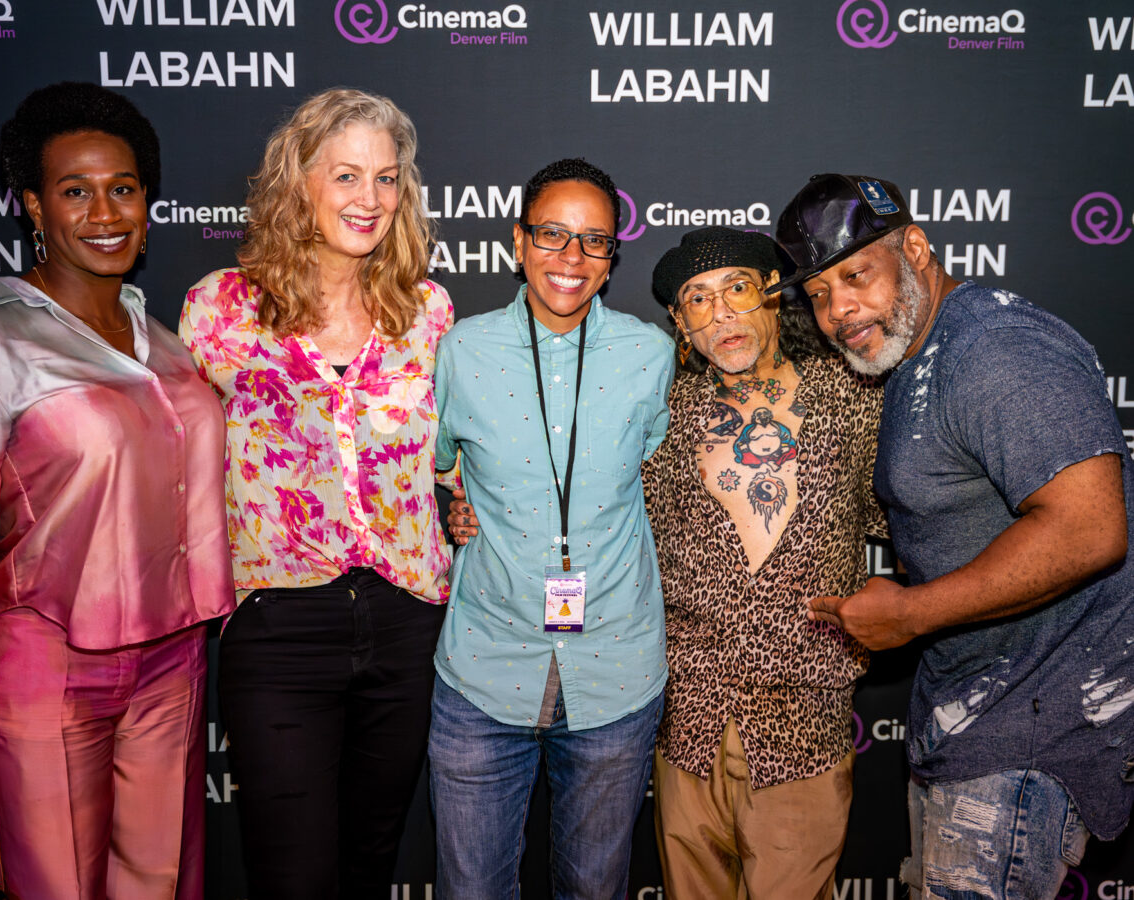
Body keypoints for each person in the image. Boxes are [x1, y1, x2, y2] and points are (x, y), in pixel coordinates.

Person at [0, 82, 234, 899]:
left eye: (122, 188)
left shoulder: (162, 341)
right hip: (45, 670)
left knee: (162, 884)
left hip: (175, 662)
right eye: (75, 190)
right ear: (32, 204)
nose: (105, 211)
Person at [778, 173, 1134, 899]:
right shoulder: (915, 352)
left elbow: (1090, 529)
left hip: (1029, 732)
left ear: (915, 247)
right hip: (979, 725)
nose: (839, 308)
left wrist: (908, 613)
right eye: (817, 293)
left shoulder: (992, 347)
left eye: (856, 275)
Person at [179, 88, 451, 899]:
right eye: (346, 176)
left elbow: (449, 456)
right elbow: (174, 467)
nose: (369, 199)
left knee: (371, 865)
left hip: (407, 625)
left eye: (386, 178)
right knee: (291, 874)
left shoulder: (426, 311)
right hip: (279, 628)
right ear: (299, 182)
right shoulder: (220, 309)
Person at [429, 158, 674, 900]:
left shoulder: (650, 354)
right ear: (518, 242)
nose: (571, 259)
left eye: (594, 242)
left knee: (594, 890)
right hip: (483, 670)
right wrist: (451, 504)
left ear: (611, 257)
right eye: (553, 235)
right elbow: (431, 465)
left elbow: (662, 474)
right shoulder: (462, 349)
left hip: (616, 673)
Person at [638, 226, 886, 899]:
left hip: (802, 718)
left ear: (773, 297)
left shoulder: (855, 397)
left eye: (736, 290)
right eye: (697, 300)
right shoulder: (657, 413)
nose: (720, 313)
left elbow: (919, 512)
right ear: (678, 323)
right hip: (688, 716)